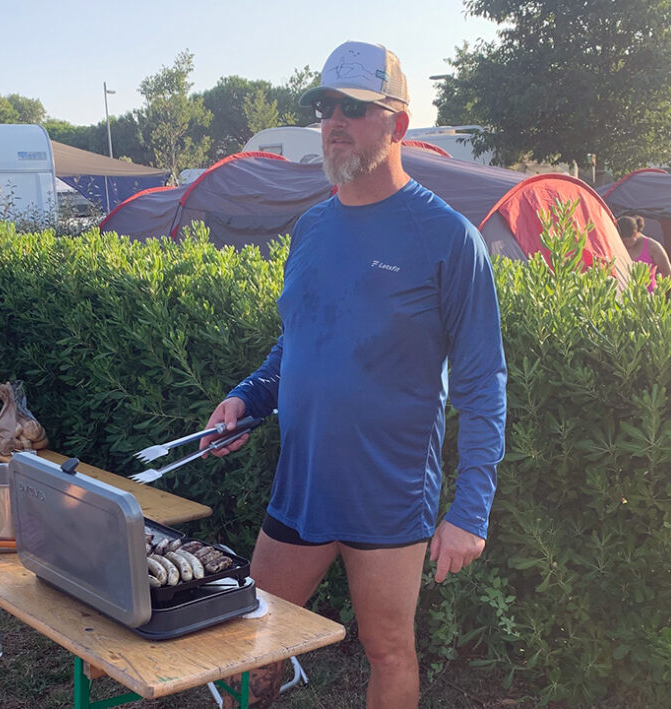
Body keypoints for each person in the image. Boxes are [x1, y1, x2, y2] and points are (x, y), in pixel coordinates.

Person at [201, 40, 507, 709]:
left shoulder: (449, 238)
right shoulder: (310, 228)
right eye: (325, 107)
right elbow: (297, 345)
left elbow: (484, 382)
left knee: (389, 649)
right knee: (252, 634)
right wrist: (245, 399)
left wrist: (471, 509)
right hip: (303, 485)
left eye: (355, 108)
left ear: (397, 124)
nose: (334, 120)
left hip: (391, 497)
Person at [617, 215, 671, 292]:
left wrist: (658, 293)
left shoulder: (653, 247)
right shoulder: (617, 245)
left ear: (635, 234)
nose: (623, 244)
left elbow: (668, 273)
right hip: (624, 296)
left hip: (648, 296)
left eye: (625, 241)